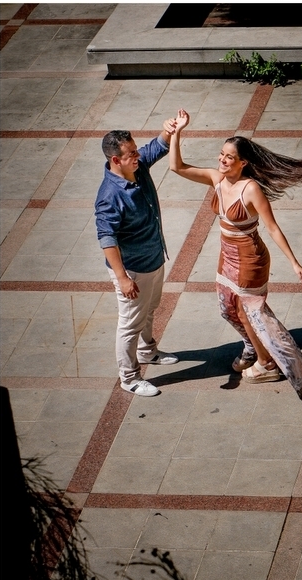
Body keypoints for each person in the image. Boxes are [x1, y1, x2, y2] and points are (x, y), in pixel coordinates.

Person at [168, 108, 302, 401]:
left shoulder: (250, 190)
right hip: (227, 254)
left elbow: (273, 228)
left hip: (250, 257)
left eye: (228, 157)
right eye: (221, 154)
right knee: (228, 307)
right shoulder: (216, 178)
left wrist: (294, 263)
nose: (221, 160)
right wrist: (177, 132)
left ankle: (268, 364)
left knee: (249, 310)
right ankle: (254, 347)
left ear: (242, 163)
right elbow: (177, 167)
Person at [95, 122, 180, 397]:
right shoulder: (110, 196)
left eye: (135, 149)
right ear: (115, 159)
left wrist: (170, 128)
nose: (138, 155)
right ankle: (129, 378)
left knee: (150, 308)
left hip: (154, 257)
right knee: (130, 324)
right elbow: (107, 239)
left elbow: (157, 147)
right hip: (133, 270)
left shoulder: (137, 167)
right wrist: (122, 279)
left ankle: (147, 352)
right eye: (132, 153)